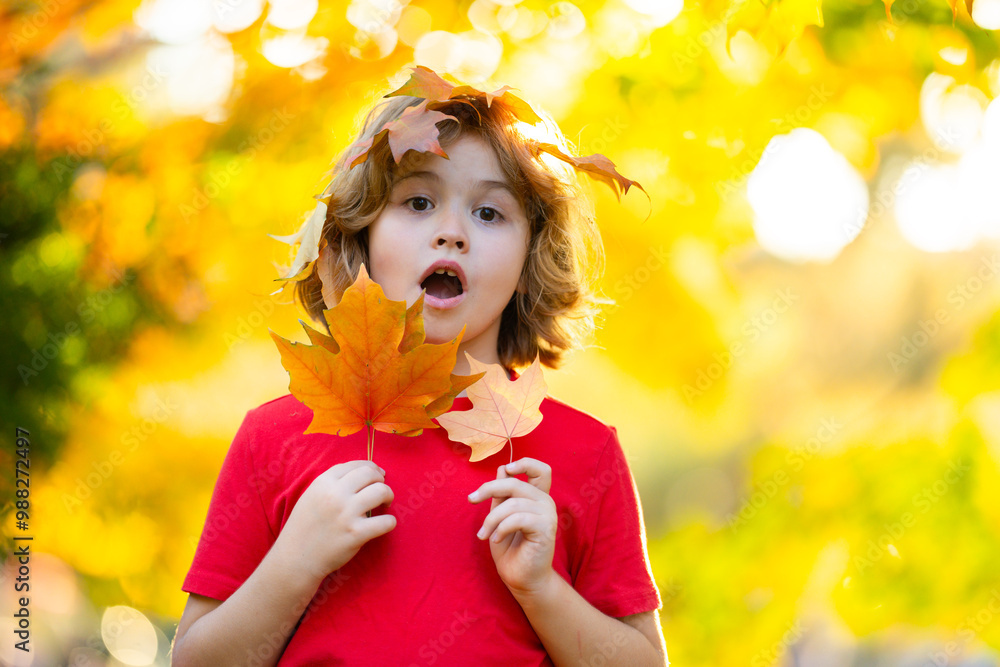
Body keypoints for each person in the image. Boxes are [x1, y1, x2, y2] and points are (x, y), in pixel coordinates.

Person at [171, 66, 667, 666]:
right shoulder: (275, 438)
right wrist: (294, 562)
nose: (452, 233)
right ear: (361, 234)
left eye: (490, 214)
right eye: (418, 201)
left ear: (530, 259)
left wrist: (543, 590)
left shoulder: (583, 454)